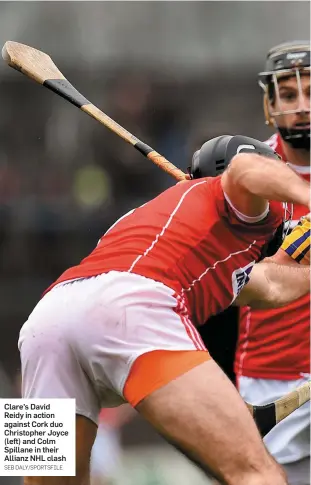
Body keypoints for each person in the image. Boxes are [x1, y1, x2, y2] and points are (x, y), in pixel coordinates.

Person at [18, 133, 310, 485]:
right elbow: (244, 169)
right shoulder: (236, 200)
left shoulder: (177, 230)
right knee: (258, 475)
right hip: (131, 306)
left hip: (45, 321)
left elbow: (272, 286)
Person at [235, 41, 310, 485]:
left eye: (310, 92)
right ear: (269, 104)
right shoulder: (246, 176)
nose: (301, 106)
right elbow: (232, 287)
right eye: (288, 94)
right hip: (274, 383)